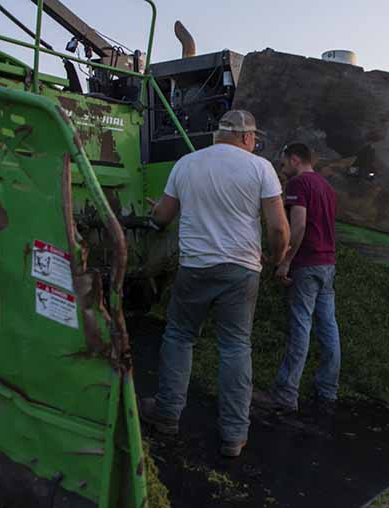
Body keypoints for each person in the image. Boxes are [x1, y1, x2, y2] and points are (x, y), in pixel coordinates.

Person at [140, 110, 290, 457]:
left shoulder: (187, 164)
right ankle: (234, 436)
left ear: (217, 135)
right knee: (235, 347)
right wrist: (277, 257)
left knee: (179, 337)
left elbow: (162, 217)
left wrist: (155, 213)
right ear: (248, 138)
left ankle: (166, 416)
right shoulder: (260, 168)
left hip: (195, 267)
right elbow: (279, 228)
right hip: (241, 271)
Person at [271, 142, 341, 416]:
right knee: (328, 327)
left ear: (296, 159)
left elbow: (298, 225)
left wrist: (285, 260)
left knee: (301, 326)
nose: (283, 168)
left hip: (307, 264)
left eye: (284, 163)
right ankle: (328, 389)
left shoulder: (299, 185)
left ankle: (286, 394)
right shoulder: (327, 188)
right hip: (327, 264)